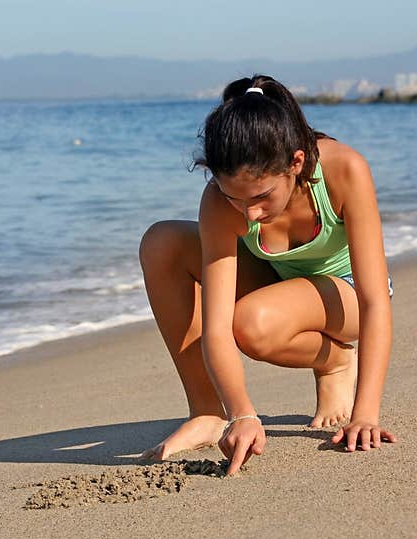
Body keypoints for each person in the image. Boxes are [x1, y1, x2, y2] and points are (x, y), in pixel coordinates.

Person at [139, 74, 396, 476]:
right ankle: (206, 411)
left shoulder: (344, 170)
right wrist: (242, 414)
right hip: (278, 284)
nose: (250, 213)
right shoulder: (224, 202)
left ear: (295, 162)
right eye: (233, 198)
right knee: (162, 242)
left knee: (252, 324)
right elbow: (216, 326)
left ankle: (337, 361)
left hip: (347, 296)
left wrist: (366, 414)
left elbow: (375, 300)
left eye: (261, 198)